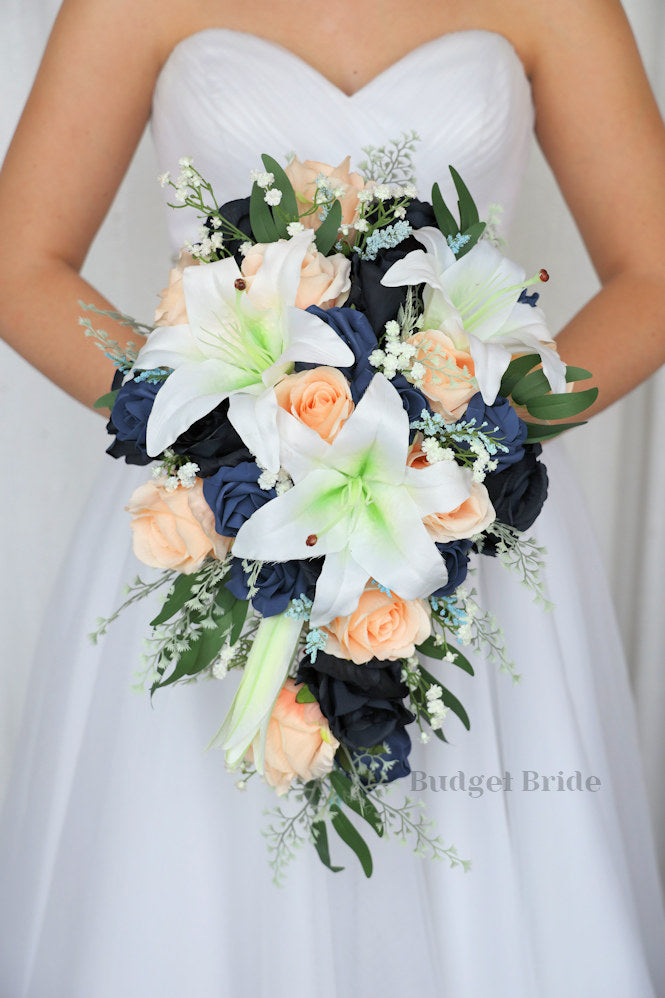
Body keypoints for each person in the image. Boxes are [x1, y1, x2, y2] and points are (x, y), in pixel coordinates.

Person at [1, 0, 665, 995]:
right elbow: (19, 264)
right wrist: (217, 433)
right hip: (213, 517)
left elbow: (653, 269)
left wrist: (475, 435)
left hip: (457, 517)